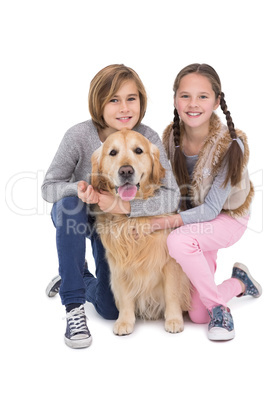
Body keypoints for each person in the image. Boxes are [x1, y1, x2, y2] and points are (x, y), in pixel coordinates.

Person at [42, 64, 180, 349]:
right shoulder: (78, 136)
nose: (124, 107)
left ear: (141, 101)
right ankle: (73, 305)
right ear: (98, 102)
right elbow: (48, 187)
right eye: (113, 99)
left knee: (108, 309)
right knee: (69, 204)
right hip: (81, 218)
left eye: (132, 98)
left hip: (116, 226)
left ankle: (76, 274)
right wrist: (79, 189)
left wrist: (121, 206)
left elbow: (172, 196)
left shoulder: (148, 137)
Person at [147, 63, 262, 341]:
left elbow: (211, 209)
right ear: (175, 99)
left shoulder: (231, 143)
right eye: (185, 95)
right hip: (193, 222)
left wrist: (171, 221)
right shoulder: (169, 138)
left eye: (203, 96)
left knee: (177, 241)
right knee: (197, 314)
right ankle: (239, 283)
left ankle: (221, 312)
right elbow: (163, 187)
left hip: (227, 217)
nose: (193, 104)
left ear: (217, 101)